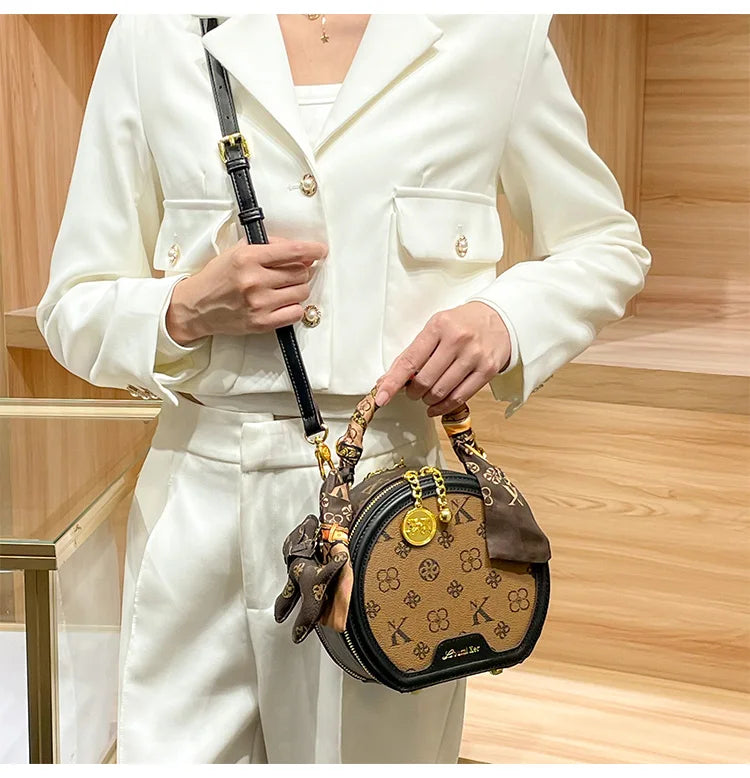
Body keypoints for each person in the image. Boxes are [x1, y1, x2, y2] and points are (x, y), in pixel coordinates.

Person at [36, 13, 651, 764]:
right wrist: (185, 308)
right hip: (196, 506)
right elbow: (71, 308)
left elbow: (605, 244)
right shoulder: (154, 30)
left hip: (397, 520)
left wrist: (504, 321)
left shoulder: (495, 28)